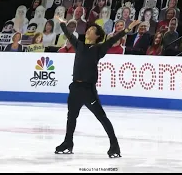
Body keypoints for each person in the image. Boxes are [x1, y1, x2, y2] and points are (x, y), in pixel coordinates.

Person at [53, 15, 140, 158]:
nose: (88, 31)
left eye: (92, 29)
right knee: (71, 117)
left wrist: (128, 29)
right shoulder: (79, 45)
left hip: (88, 90)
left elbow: (112, 39)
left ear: (97, 35)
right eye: (89, 29)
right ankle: (68, 142)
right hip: (75, 88)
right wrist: (63, 23)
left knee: (101, 117)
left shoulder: (99, 48)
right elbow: (68, 34)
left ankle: (114, 145)